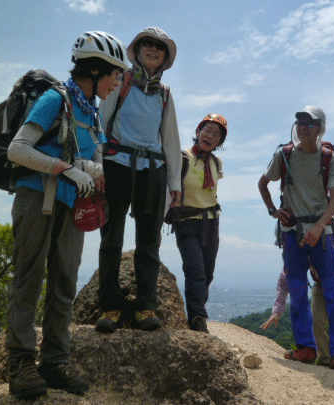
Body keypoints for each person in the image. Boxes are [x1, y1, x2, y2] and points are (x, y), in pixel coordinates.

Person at [5, 31, 128, 400]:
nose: (117, 83)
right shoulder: (54, 99)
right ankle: (21, 362)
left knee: (64, 283)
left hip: (71, 205)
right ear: (93, 69)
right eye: (114, 75)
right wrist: (66, 169)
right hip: (37, 198)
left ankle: (55, 363)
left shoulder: (91, 111)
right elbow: (18, 149)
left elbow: (95, 159)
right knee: (28, 279)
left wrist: (90, 169)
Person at [96, 27, 181, 333]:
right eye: (148, 43)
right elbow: (100, 126)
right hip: (117, 164)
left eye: (160, 46)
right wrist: (97, 170)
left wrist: (175, 186)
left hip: (152, 170)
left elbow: (170, 140)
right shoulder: (121, 81)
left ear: (165, 57)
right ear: (137, 49)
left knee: (149, 241)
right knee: (111, 239)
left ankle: (146, 305)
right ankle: (109, 305)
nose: (153, 49)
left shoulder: (164, 93)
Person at [258, 106, 334, 370]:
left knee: (332, 293)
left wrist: (320, 225)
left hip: (321, 234)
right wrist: (273, 212)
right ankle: (305, 348)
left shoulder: (328, 159)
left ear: (320, 128)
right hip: (292, 233)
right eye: (299, 122)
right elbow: (262, 183)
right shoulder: (284, 155)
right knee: (298, 291)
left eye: (309, 123)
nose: (303, 127)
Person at [261, 247, 334, 369]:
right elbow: (284, 282)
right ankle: (326, 360)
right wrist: (277, 311)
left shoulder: (325, 248)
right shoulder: (295, 255)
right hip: (321, 284)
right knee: (316, 321)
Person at [170, 114, 227, 333]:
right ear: (198, 132)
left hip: (211, 223)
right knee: (195, 271)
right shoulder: (182, 157)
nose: (211, 136)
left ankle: (196, 312)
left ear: (219, 143)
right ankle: (197, 318)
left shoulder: (216, 162)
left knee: (208, 272)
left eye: (217, 134)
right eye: (208, 130)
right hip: (186, 221)